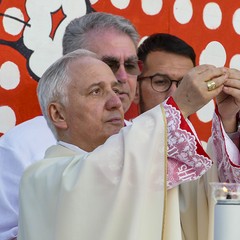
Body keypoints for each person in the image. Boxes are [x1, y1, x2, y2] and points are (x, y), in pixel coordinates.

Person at [17, 48, 227, 240]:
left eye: (116, 91)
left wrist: (230, 124)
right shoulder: (41, 179)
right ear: (58, 113)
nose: (116, 103)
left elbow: (200, 205)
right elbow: (102, 171)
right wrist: (177, 107)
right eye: (96, 91)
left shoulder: (146, 163)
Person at [0, 12, 140, 240]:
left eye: (131, 65)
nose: (123, 77)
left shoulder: (145, 140)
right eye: (109, 64)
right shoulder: (19, 147)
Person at [135, 32, 240, 239]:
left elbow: (226, 200)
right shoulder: (118, 150)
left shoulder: (205, 158)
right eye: (160, 81)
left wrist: (228, 121)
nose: (176, 94)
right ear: (136, 88)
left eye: (184, 84)